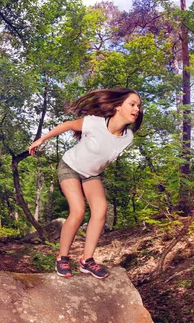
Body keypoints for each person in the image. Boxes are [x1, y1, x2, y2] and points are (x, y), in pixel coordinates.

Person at [28, 88, 143, 279]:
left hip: (91, 175)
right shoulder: (95, 123)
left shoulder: (128, 138)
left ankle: (86, 260)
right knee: (78, 210)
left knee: (100, 209)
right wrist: (41, 140)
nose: (136, 109)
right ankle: (62, 258)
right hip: (70, 167)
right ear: (117, 107)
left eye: (138, 106)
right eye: (132, 104)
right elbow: (69, 125)